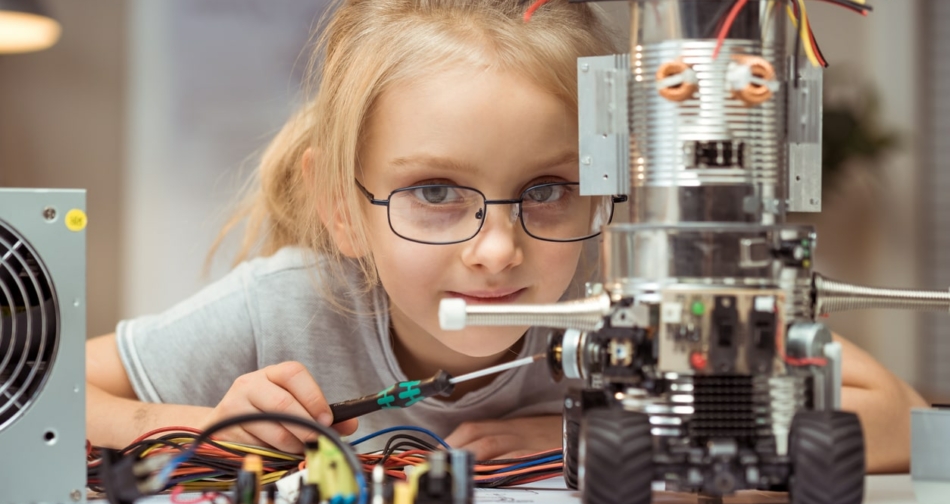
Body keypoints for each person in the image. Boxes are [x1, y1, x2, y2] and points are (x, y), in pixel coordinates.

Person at [86, 0, 925, 471]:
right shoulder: (293, 305)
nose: (496, 251)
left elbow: (903, 418)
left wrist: (592, 431)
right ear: (341, 206)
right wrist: (182, 422)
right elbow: (35, 396)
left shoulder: (628, 300)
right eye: (437, 192)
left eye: (548, 190)